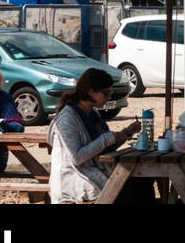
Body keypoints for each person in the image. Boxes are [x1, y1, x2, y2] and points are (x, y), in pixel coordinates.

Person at [47, 68, 143, 203]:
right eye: (105, 93)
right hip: (74, 180)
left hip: (94, 172)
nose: (109, 97)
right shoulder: (67, 120)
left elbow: (103, 148)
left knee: (141, 182)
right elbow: (77, 157)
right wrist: (107, 138)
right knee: (128, 189)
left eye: (110, 92)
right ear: (91, 92)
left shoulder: (93, 114)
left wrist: (125, 133)